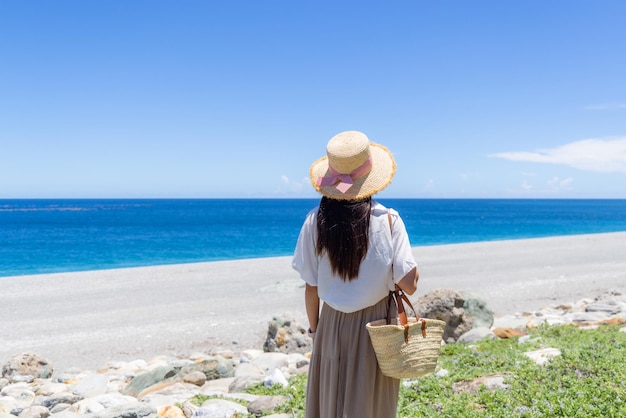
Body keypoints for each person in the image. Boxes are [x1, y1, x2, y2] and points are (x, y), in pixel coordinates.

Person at [292, 130, 419, 418]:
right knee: (372, 405)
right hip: (378, 326)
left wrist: (315, 331)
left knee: (330, 403)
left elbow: (311, 287)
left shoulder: (315, 221)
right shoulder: (389, 220)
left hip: (331, 323)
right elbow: (408, 285)